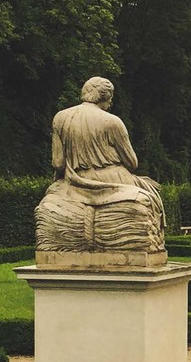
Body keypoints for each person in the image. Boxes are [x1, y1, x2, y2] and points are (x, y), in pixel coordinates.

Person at [35, 76, 165, 257]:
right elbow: (132, 163)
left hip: (75, 181)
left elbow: (58, 163)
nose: (110, 103)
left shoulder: (60, 118)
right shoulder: (112, 122)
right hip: (114, 178)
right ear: (104, 97)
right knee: (152, 194)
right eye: (110, 99)